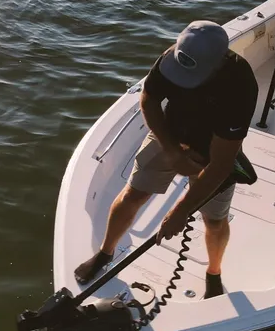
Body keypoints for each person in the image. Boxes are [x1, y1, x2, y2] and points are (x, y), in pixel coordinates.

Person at [74, 20, 259, 299]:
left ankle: (214, 272)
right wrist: (172, 151)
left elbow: (221, 163)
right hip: (169, 134)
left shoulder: (240, 85)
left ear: (218, 63)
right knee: (132, 194)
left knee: (215, 220)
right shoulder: (171, 59)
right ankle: (104, 253)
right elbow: (148, 100)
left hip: (214, 149)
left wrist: (182, 210)